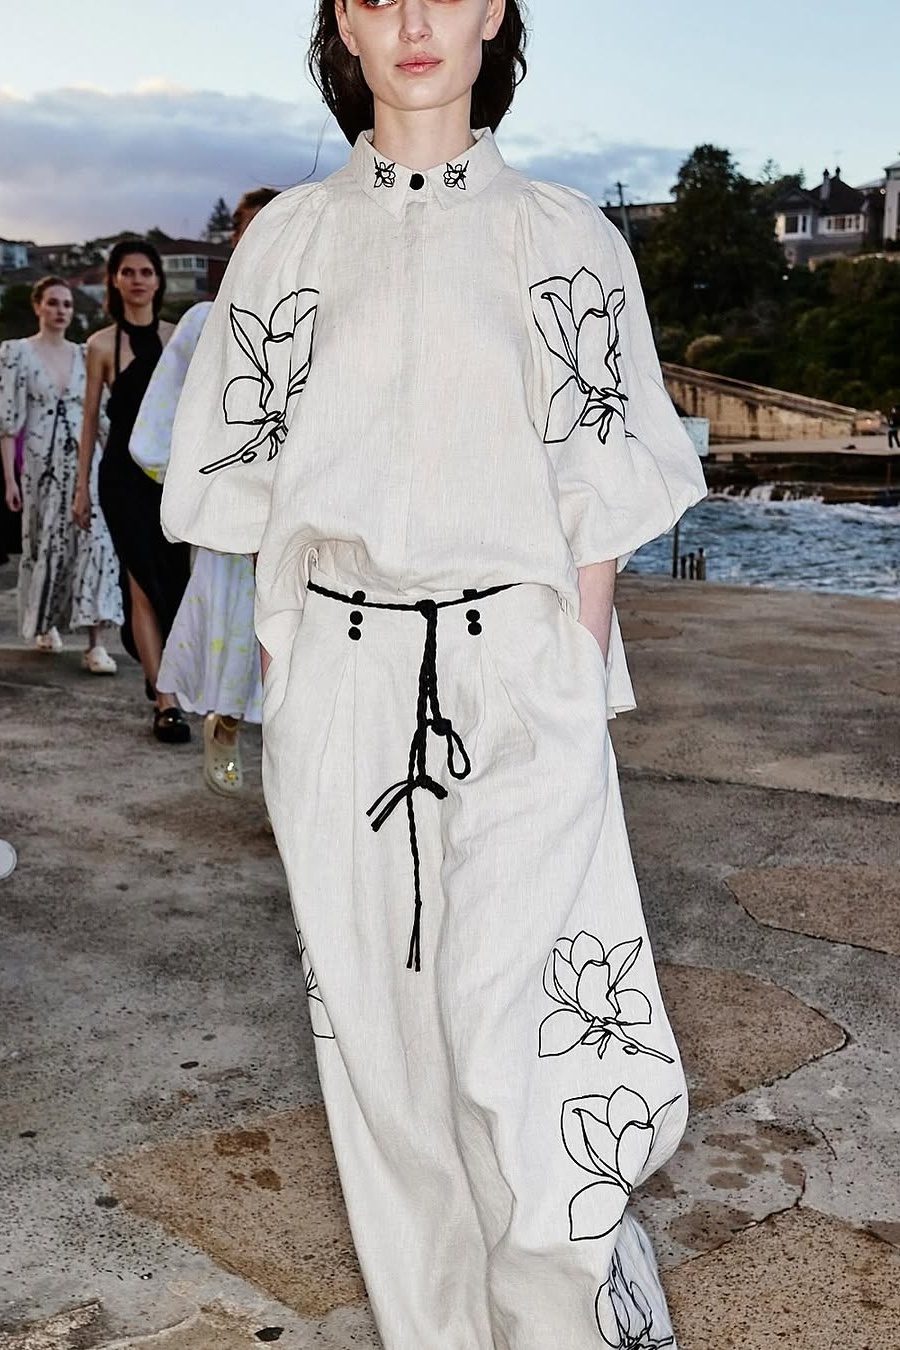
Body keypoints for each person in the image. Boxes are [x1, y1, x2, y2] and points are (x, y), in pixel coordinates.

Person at [162, 1, 707, 1345]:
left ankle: (570, 1323)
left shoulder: (565, 236)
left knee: (541, 1072)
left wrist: (572, 682)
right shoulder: (287, 241)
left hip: (520, 673)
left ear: (494, 11)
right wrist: (292, 686)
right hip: (339, 690)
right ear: (343, 24)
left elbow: (597, 488)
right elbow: (253, 501)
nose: (412, 19)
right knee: (389, 1084)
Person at [130, 190, 279, 793]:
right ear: (235, 240)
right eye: (251, 229)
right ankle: (227, 719)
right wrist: (201, 498)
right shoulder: (201, 322)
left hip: (300, 509)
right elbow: (162, 420)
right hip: (229, 510)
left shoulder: (325, 314)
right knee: (238, 630)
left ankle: (287, 791)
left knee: (302, 647)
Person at [74, 242, 192, 742]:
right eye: (128, 271)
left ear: (158, 280)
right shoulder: (101, 345)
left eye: (146, 271)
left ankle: (163, 672)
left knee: (176, 585)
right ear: (115, 280)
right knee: (140, 581)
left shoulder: (179, 338)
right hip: (122, 479)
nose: (138, 279)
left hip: (172, 479)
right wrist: (81, 488)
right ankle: (165, 701)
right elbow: (88, 422)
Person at [0, 277, 122, 669]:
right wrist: (9, 479)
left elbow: (102, 417)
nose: (61, 311)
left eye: (67, 304)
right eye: (53, 303)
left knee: (95, 542)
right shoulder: (17, 353)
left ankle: (95, 644)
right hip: (40, 465)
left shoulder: (86, 354)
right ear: (38, 305)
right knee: (45, 543)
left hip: (87, 463)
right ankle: (46, 622)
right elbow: (8, 422)